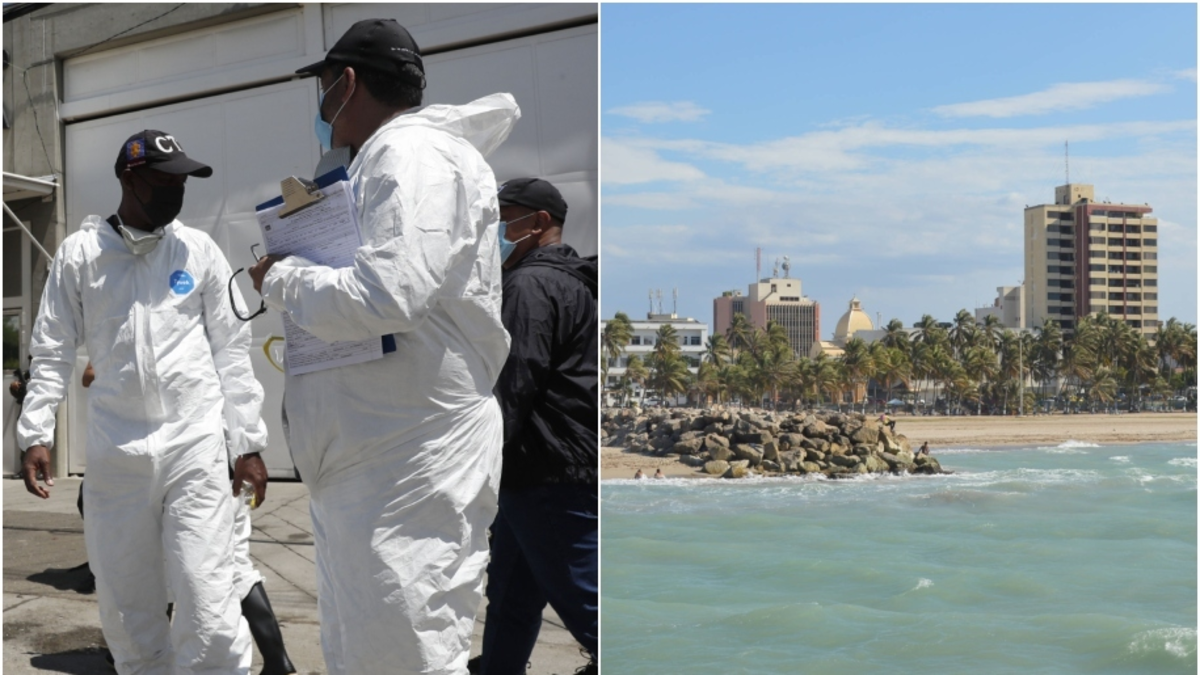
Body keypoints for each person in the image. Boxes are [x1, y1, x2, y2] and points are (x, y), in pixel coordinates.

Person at [247, 18, 519, 675]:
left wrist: (283, 277)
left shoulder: (412, 155)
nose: (319, 105)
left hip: (409, 457)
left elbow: (386, 297)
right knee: (368, 650)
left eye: (321, 86)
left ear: (345, 83)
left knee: (407, 651)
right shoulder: (382, 162)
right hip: (375, 461)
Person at [17, 129, 269, 673]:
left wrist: (248, 442)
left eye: (183, 182)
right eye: (165, 181)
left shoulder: (197, 250)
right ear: (129, 179)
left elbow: (232, 351)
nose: (177, 191)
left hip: (194, 445)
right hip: (118, 453)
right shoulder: (82, 255)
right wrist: (36, 431)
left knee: (208, 598)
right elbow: (53, 348)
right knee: (128, 605)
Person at [477, 178, 597, 675]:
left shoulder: (528, 285)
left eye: (503, 220)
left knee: (585, 599)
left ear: (540, 222)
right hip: (540, 465)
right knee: (511, 593)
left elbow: (514, 381)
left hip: (545, 468)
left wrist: (476, 461)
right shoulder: (573, 280)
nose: (494, 233)